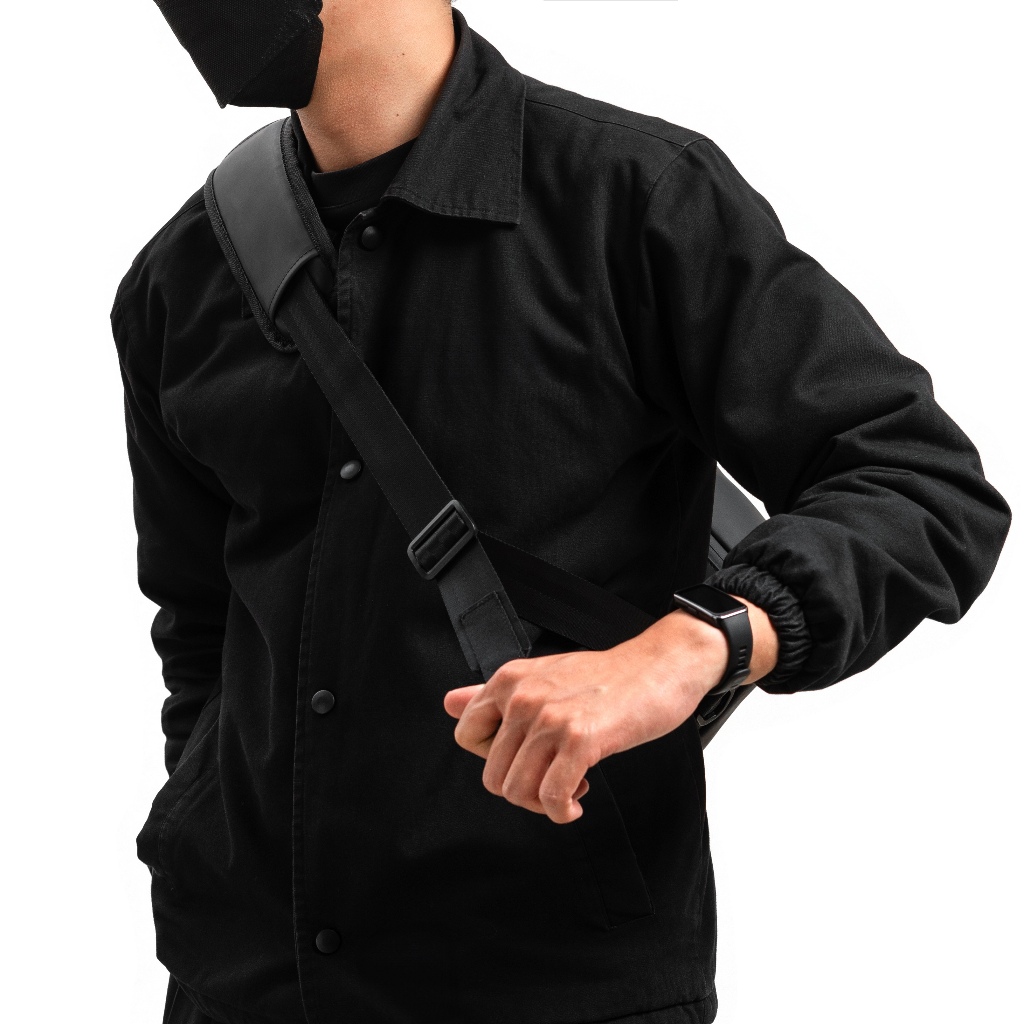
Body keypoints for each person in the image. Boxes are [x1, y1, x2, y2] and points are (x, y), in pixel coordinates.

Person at [111, 2, 1011, 1023]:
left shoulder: (634, 197)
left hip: (552, 980)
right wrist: (200, 820)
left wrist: (693, 645)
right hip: (243, 985)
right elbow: (201, 628)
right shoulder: (181, 277)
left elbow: (917, 480)